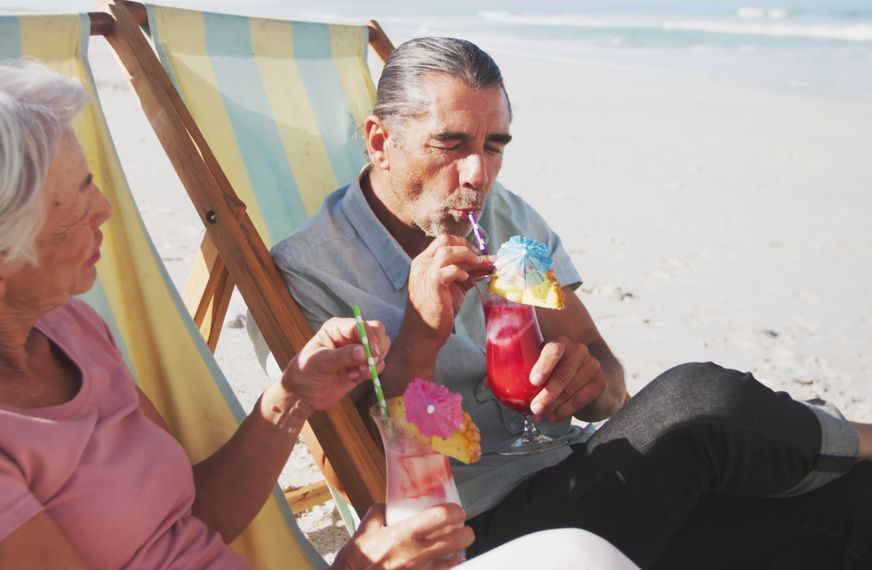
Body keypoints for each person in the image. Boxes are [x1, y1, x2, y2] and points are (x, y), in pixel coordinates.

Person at [0, 59, 476, 569]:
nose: (105, 210)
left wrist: (292, 397)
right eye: (79, 205)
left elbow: (188, 518)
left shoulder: (63, 328)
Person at [264, 37, 872, 567]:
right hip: (473, 535)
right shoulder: (310, 277)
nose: (479, 173)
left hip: (581, 484)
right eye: (450, 144)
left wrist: (591, 382)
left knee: (853, 501)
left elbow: (612, 388)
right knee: (696, 403)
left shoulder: (502, 219)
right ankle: (854, 433)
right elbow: (372, 470)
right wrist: (422, 337)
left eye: (495, 144)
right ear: (380, 140)